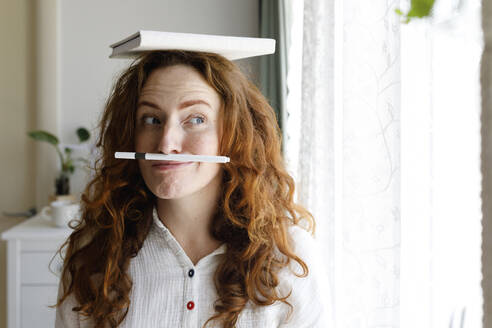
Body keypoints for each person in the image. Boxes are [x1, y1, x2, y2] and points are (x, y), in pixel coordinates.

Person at [54, 42, 328, 327]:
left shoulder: (288, 256)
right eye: (151, 119)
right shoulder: (94, 254)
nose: (166, 143)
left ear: (236, 135)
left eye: (196, 119)